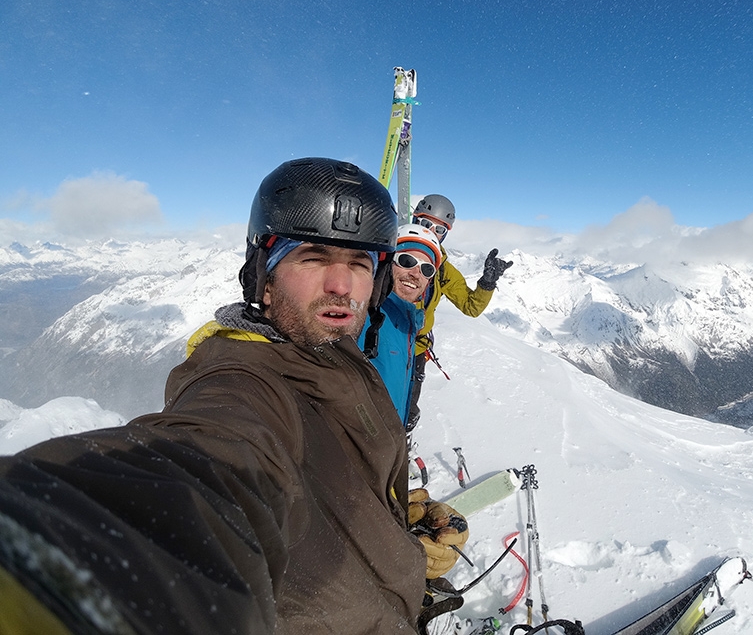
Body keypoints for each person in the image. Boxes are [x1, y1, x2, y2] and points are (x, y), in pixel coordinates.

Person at [0, 158, 462, 635]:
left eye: (359, 263)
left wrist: (388, 525)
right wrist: (43, 567)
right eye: (313, 257)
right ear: (265, 273)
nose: (342, 286)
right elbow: (206, 469)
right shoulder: (240, 381)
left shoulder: (335, 351)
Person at [406, 194, 513, 430]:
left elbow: (471, 306)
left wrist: (487, 283)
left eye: (439, 229)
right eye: (426, 224)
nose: (431, 232)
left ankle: (400, 447)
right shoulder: (390, 252)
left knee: (406, 410)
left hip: (416, 351)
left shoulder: (443, 270)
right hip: (378, 344)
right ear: (415, 220)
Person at [361, 223, 443, 425]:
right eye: (407, 261)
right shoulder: (361, 314)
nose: (416, 274)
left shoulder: (407, 322)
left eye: (426, 269)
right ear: (388, 261)